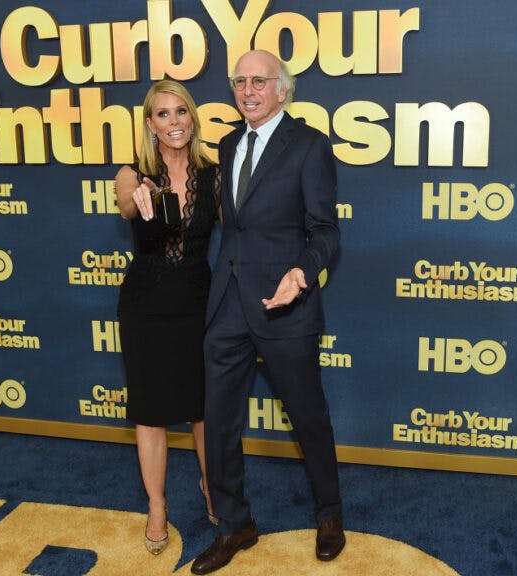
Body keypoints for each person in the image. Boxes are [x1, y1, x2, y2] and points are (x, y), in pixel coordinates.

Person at [191, 50, 344, 575]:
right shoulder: (229, 143)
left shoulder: (309, 146)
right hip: (228, 304)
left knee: (308, 417)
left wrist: (301, 273)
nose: (248, 90)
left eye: (260, 81)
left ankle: (329, 514)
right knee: (220, 424)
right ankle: (234, 525)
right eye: (240, 81)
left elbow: (326, 232)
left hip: (285, 307)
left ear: (283, 89)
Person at [115, 79, 220, 556]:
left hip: (200, 301)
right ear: (149, 123)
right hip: (147, 305)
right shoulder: (133, 174)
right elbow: (122, 201)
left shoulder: (215, 175)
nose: (174, 121)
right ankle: (157, 507)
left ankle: (211, 486)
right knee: (151, 412)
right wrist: (136, 199)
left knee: (204, 408)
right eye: (163, 113)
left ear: (192, 118)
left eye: (182, 111)